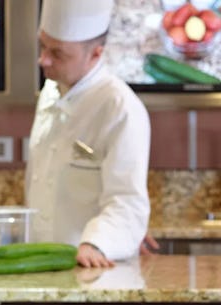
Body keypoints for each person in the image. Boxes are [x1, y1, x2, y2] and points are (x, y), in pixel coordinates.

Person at [27, 0, 151, 268]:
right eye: (43, 46)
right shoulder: (51, 90)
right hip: (43, 263)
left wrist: (97, 243)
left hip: (92, 267)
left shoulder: (120, 108)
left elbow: (128, 202)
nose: (43, 60)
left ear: (96, 54)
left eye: (58, 53)